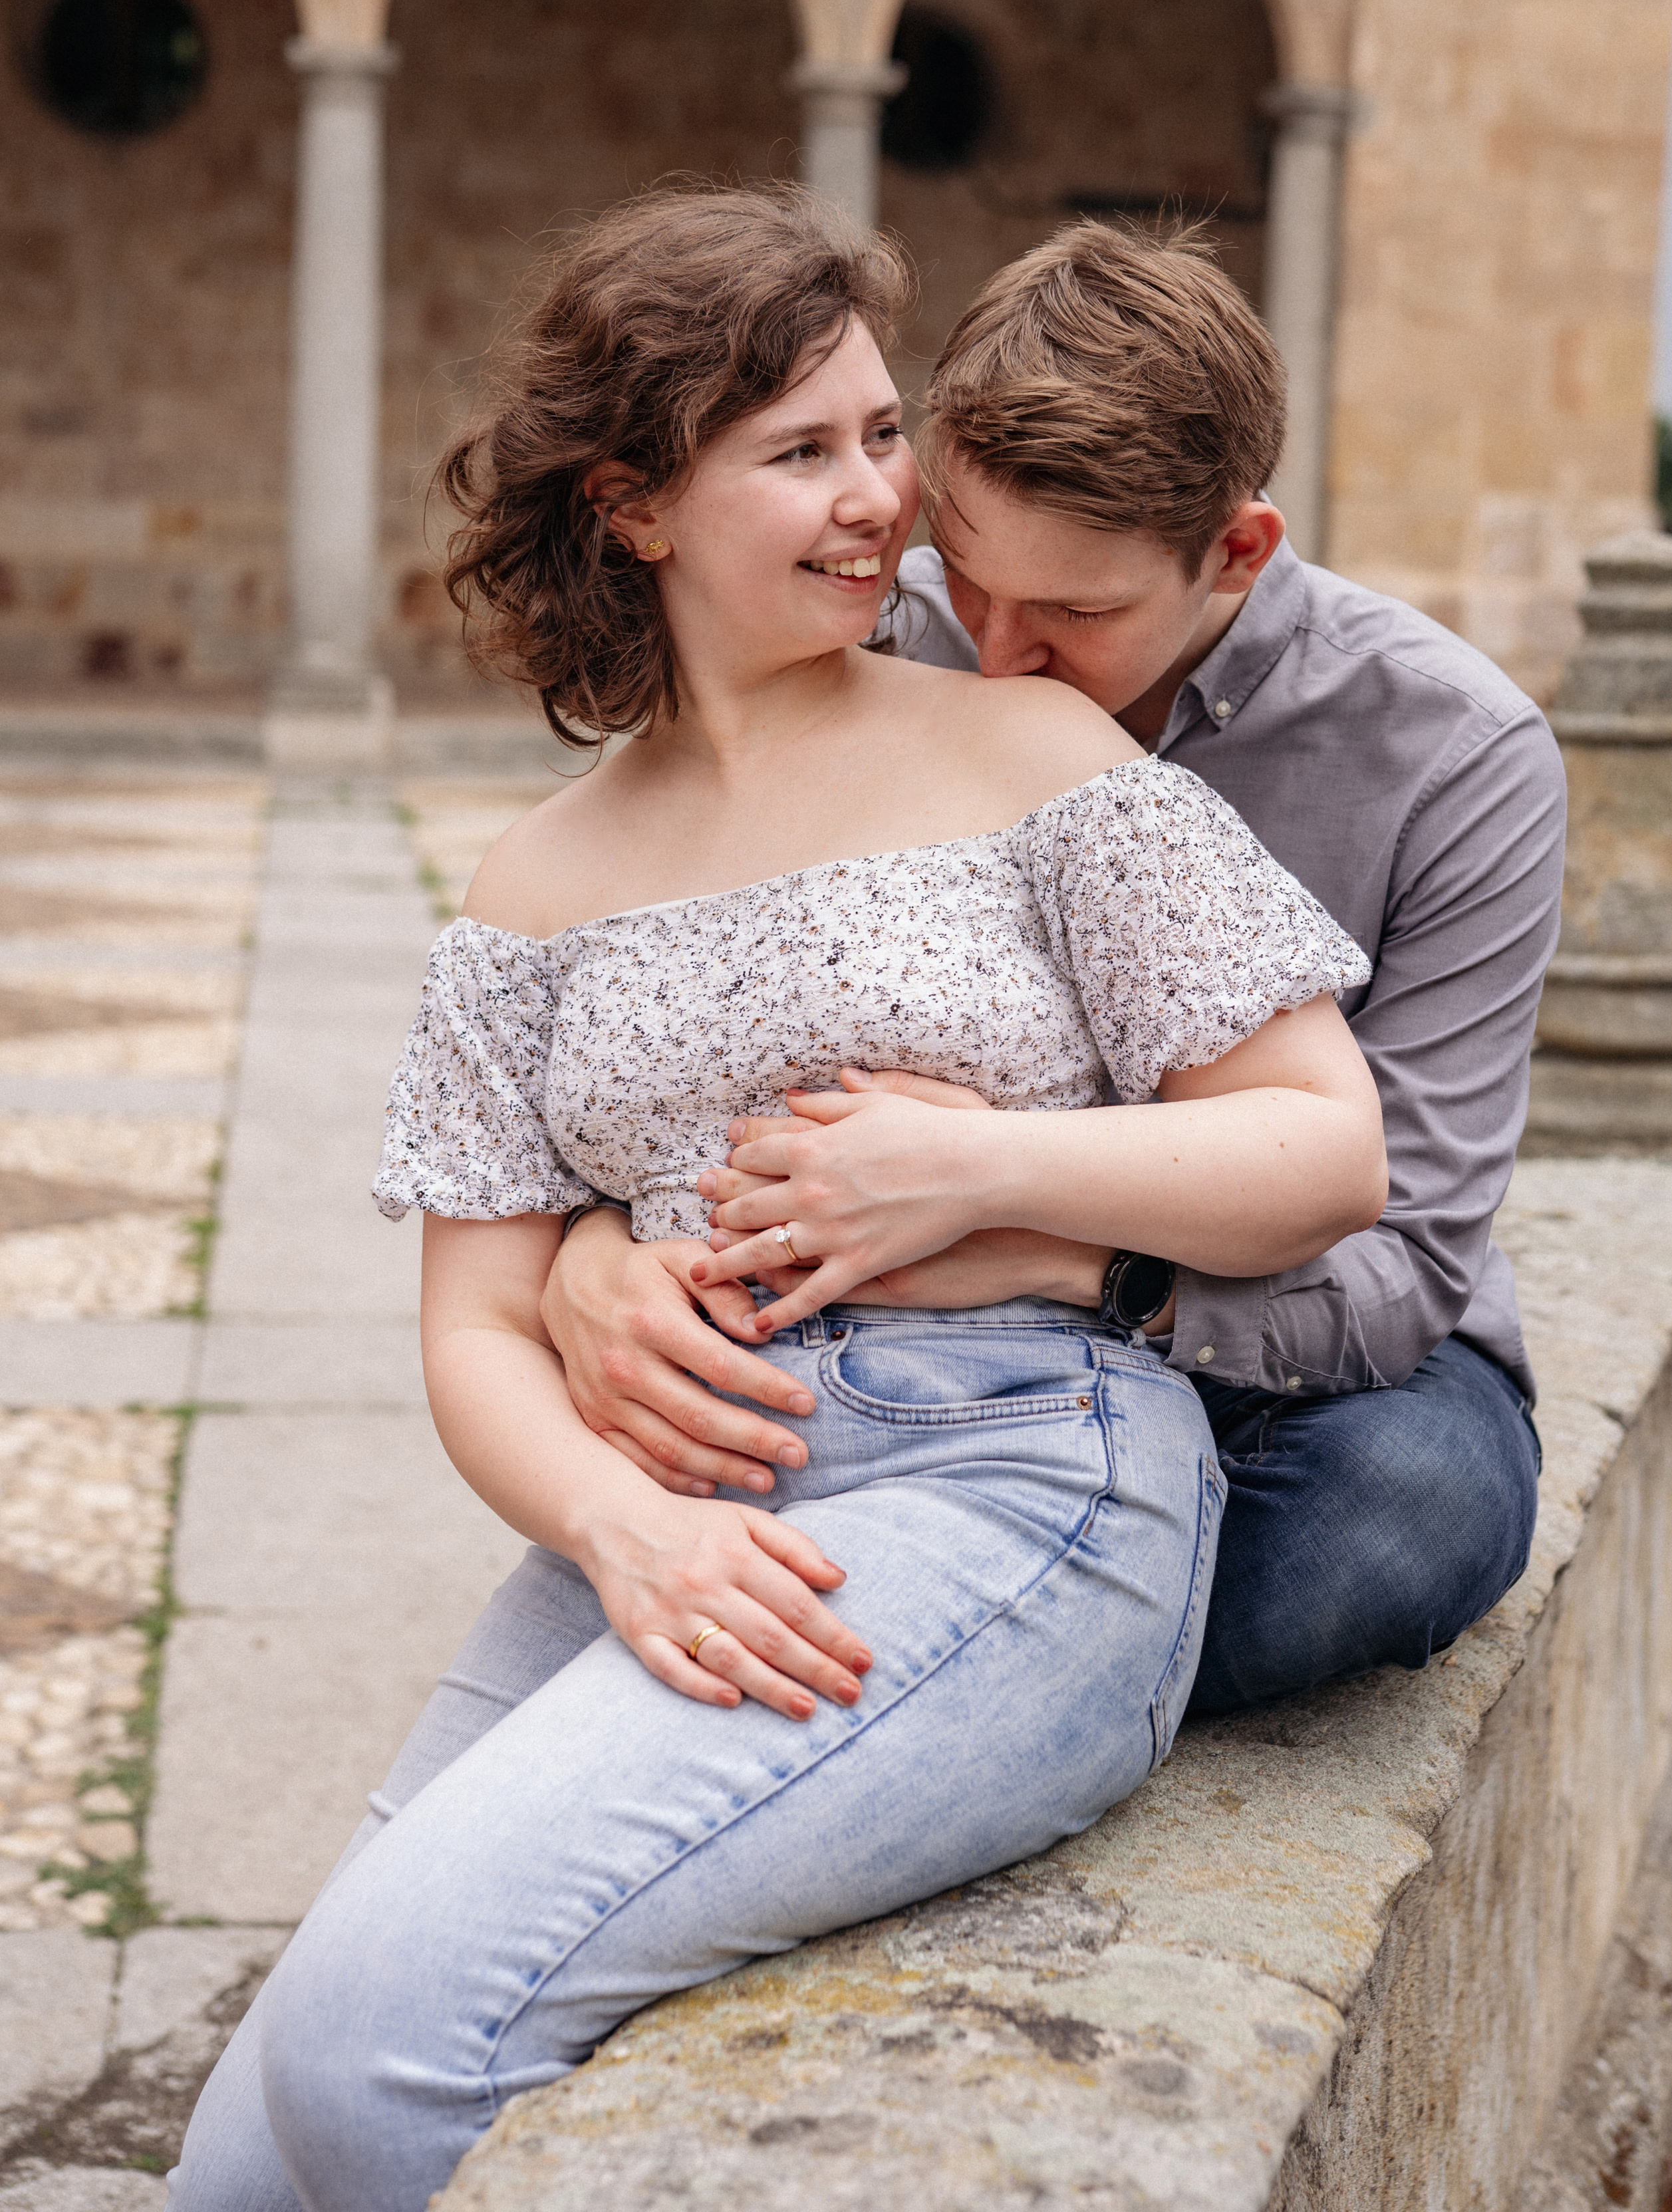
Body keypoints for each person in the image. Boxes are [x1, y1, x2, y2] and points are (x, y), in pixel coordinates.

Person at [170, 184, 1382, 2211]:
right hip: (664, 1515)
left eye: (883, 433)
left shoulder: (1031, 751)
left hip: (1012, 1472)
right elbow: (474, 1330)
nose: (879, 498)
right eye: (802, 450)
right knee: (237, 2166)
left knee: (380, 2045)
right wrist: (617, 1524)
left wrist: (975, 1166)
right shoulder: (534, 884)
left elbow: (1322, 1152)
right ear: (636, 505)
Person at [541, 215, 1560, 1717]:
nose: (996, 654)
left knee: (1396, 1525)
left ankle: (881, 1673)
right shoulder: (885, 626)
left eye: (1078, 614)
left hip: (1295, 1367)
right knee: (694, 1428)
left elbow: (1397, 1262)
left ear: (1236, 550)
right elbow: (671, 992)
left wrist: (1050, 1241)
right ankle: (924, 1648)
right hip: (918, 1340)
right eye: (967, 575)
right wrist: (584, 1250)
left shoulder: (1456, 755)